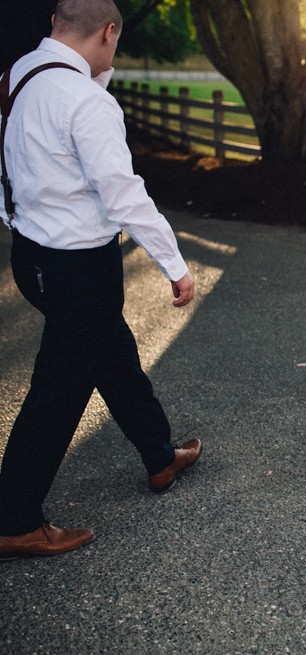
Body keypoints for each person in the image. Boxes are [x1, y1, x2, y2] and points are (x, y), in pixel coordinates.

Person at [0, 0, 202, 560]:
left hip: (32, 256)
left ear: (53, 25)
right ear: (110, 31)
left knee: (112, 353)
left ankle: (160, 456)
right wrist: (175, 265)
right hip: (79, 268)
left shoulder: (20, 75)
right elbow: (124, 196)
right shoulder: (88, 103)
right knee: (58, 391)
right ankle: (14, 518)